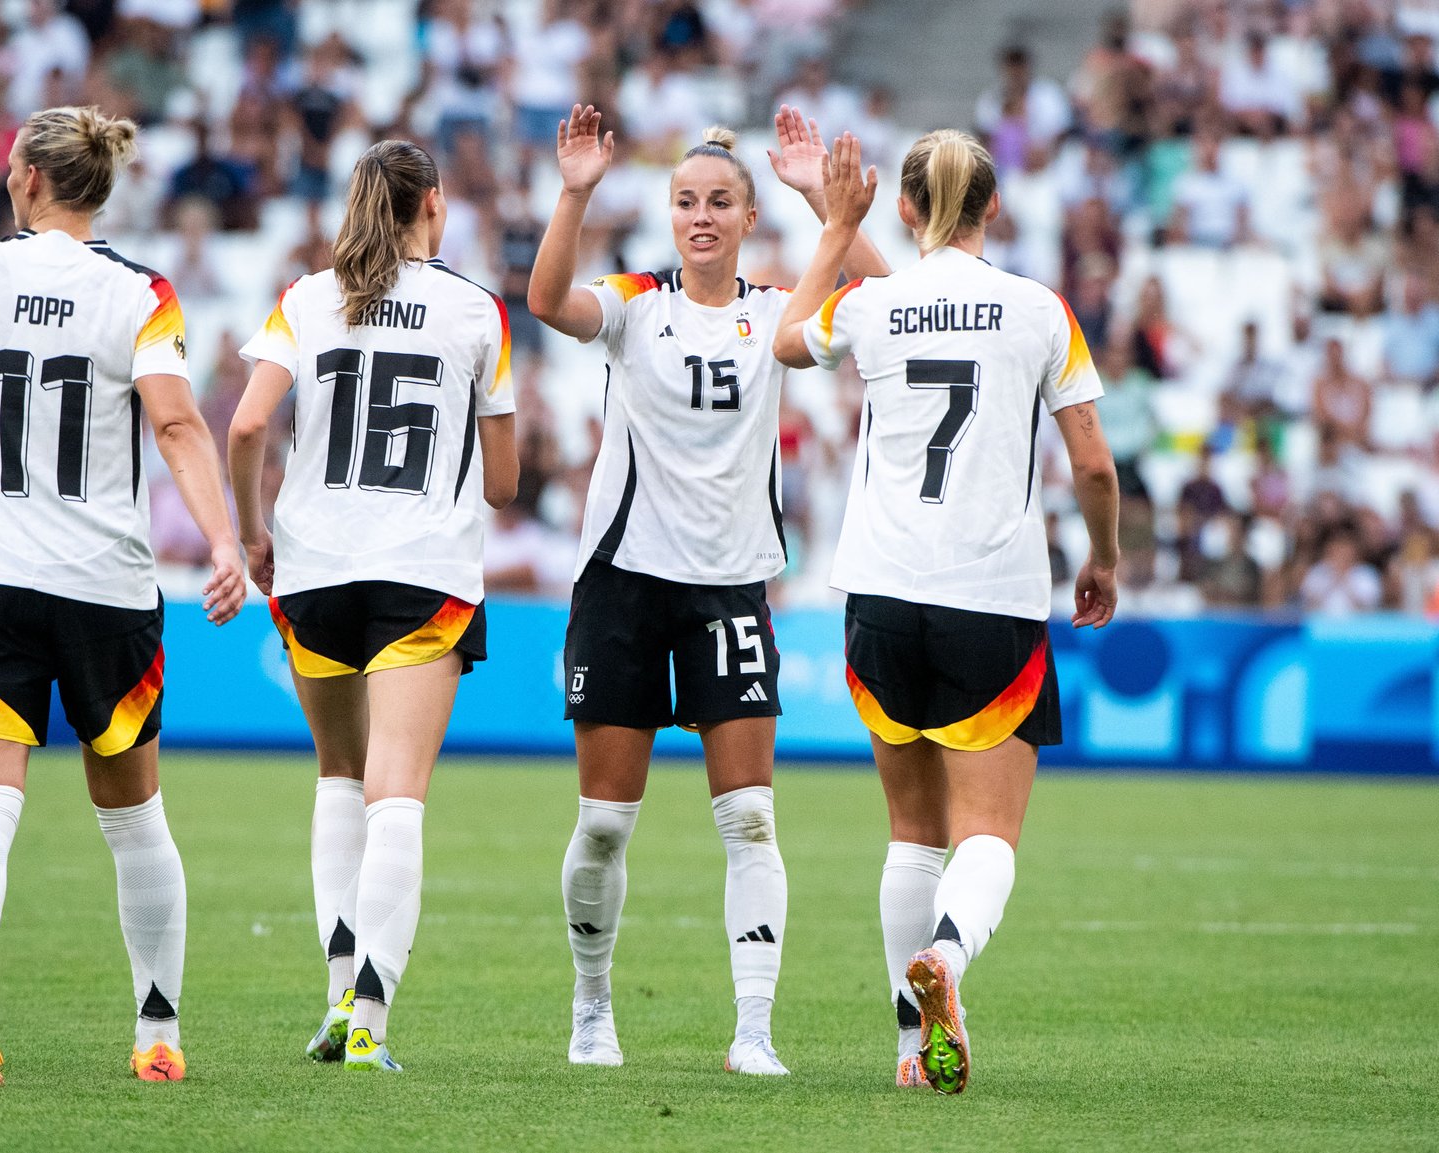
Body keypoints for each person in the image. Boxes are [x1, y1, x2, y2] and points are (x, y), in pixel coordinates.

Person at [525, 104, 889, 1075]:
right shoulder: (631, 302)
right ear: (669, 214)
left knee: (750, 816)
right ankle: (591, 1007)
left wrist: (829, 205)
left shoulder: (777, 309)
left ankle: (752, 1030)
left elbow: (900, 300)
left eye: (718, 201)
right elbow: (547, 298)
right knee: (602, 823)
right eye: (685, 200)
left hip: (729, 590)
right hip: (623, 587)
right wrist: (573, 193)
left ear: (744, 217)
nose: (699, 215)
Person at [0, 106, 247, 1087]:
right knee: (134, 817)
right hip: (102, 584)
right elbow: (176, 425)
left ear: (27, 180)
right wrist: (222, 539)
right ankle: (156, 1029)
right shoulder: (138, 293)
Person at [772, 130, 1119, 1093]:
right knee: (987, 836)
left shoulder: (875, 305)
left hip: (880, 594)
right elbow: (1091, 461)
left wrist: (831, 224)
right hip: (991, 597)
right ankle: (950, 963)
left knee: (911, 832)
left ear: (909, 209)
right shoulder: (1040, 311)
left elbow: (789, 337)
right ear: (993, 207)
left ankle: (907, 1051)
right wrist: (1107, 557)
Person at [226, 139, 518, 1074]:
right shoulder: (475, 309)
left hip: (313, 567)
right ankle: (370, 1023)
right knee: (399, 793)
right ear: (432, 203)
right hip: (421, 569)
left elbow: (244, 424)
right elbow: (505, 484)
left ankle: (333, 994)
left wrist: (252, 533)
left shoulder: (307, 297)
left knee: (338, 777)